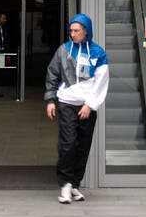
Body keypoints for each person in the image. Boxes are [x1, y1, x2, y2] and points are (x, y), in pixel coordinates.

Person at [45, 13, 108, 204]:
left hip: (87, 107)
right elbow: (52, 74)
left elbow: (102, 82)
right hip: (67, 103)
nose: (72, 34)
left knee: (83, 146)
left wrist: (90, 105)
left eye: (76, 30)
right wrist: (50, 100)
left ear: (86, 31)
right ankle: (65, 184)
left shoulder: (98, 53)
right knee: (68, 143)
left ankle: (74, 184)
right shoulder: (63, 50)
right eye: (71, 30)